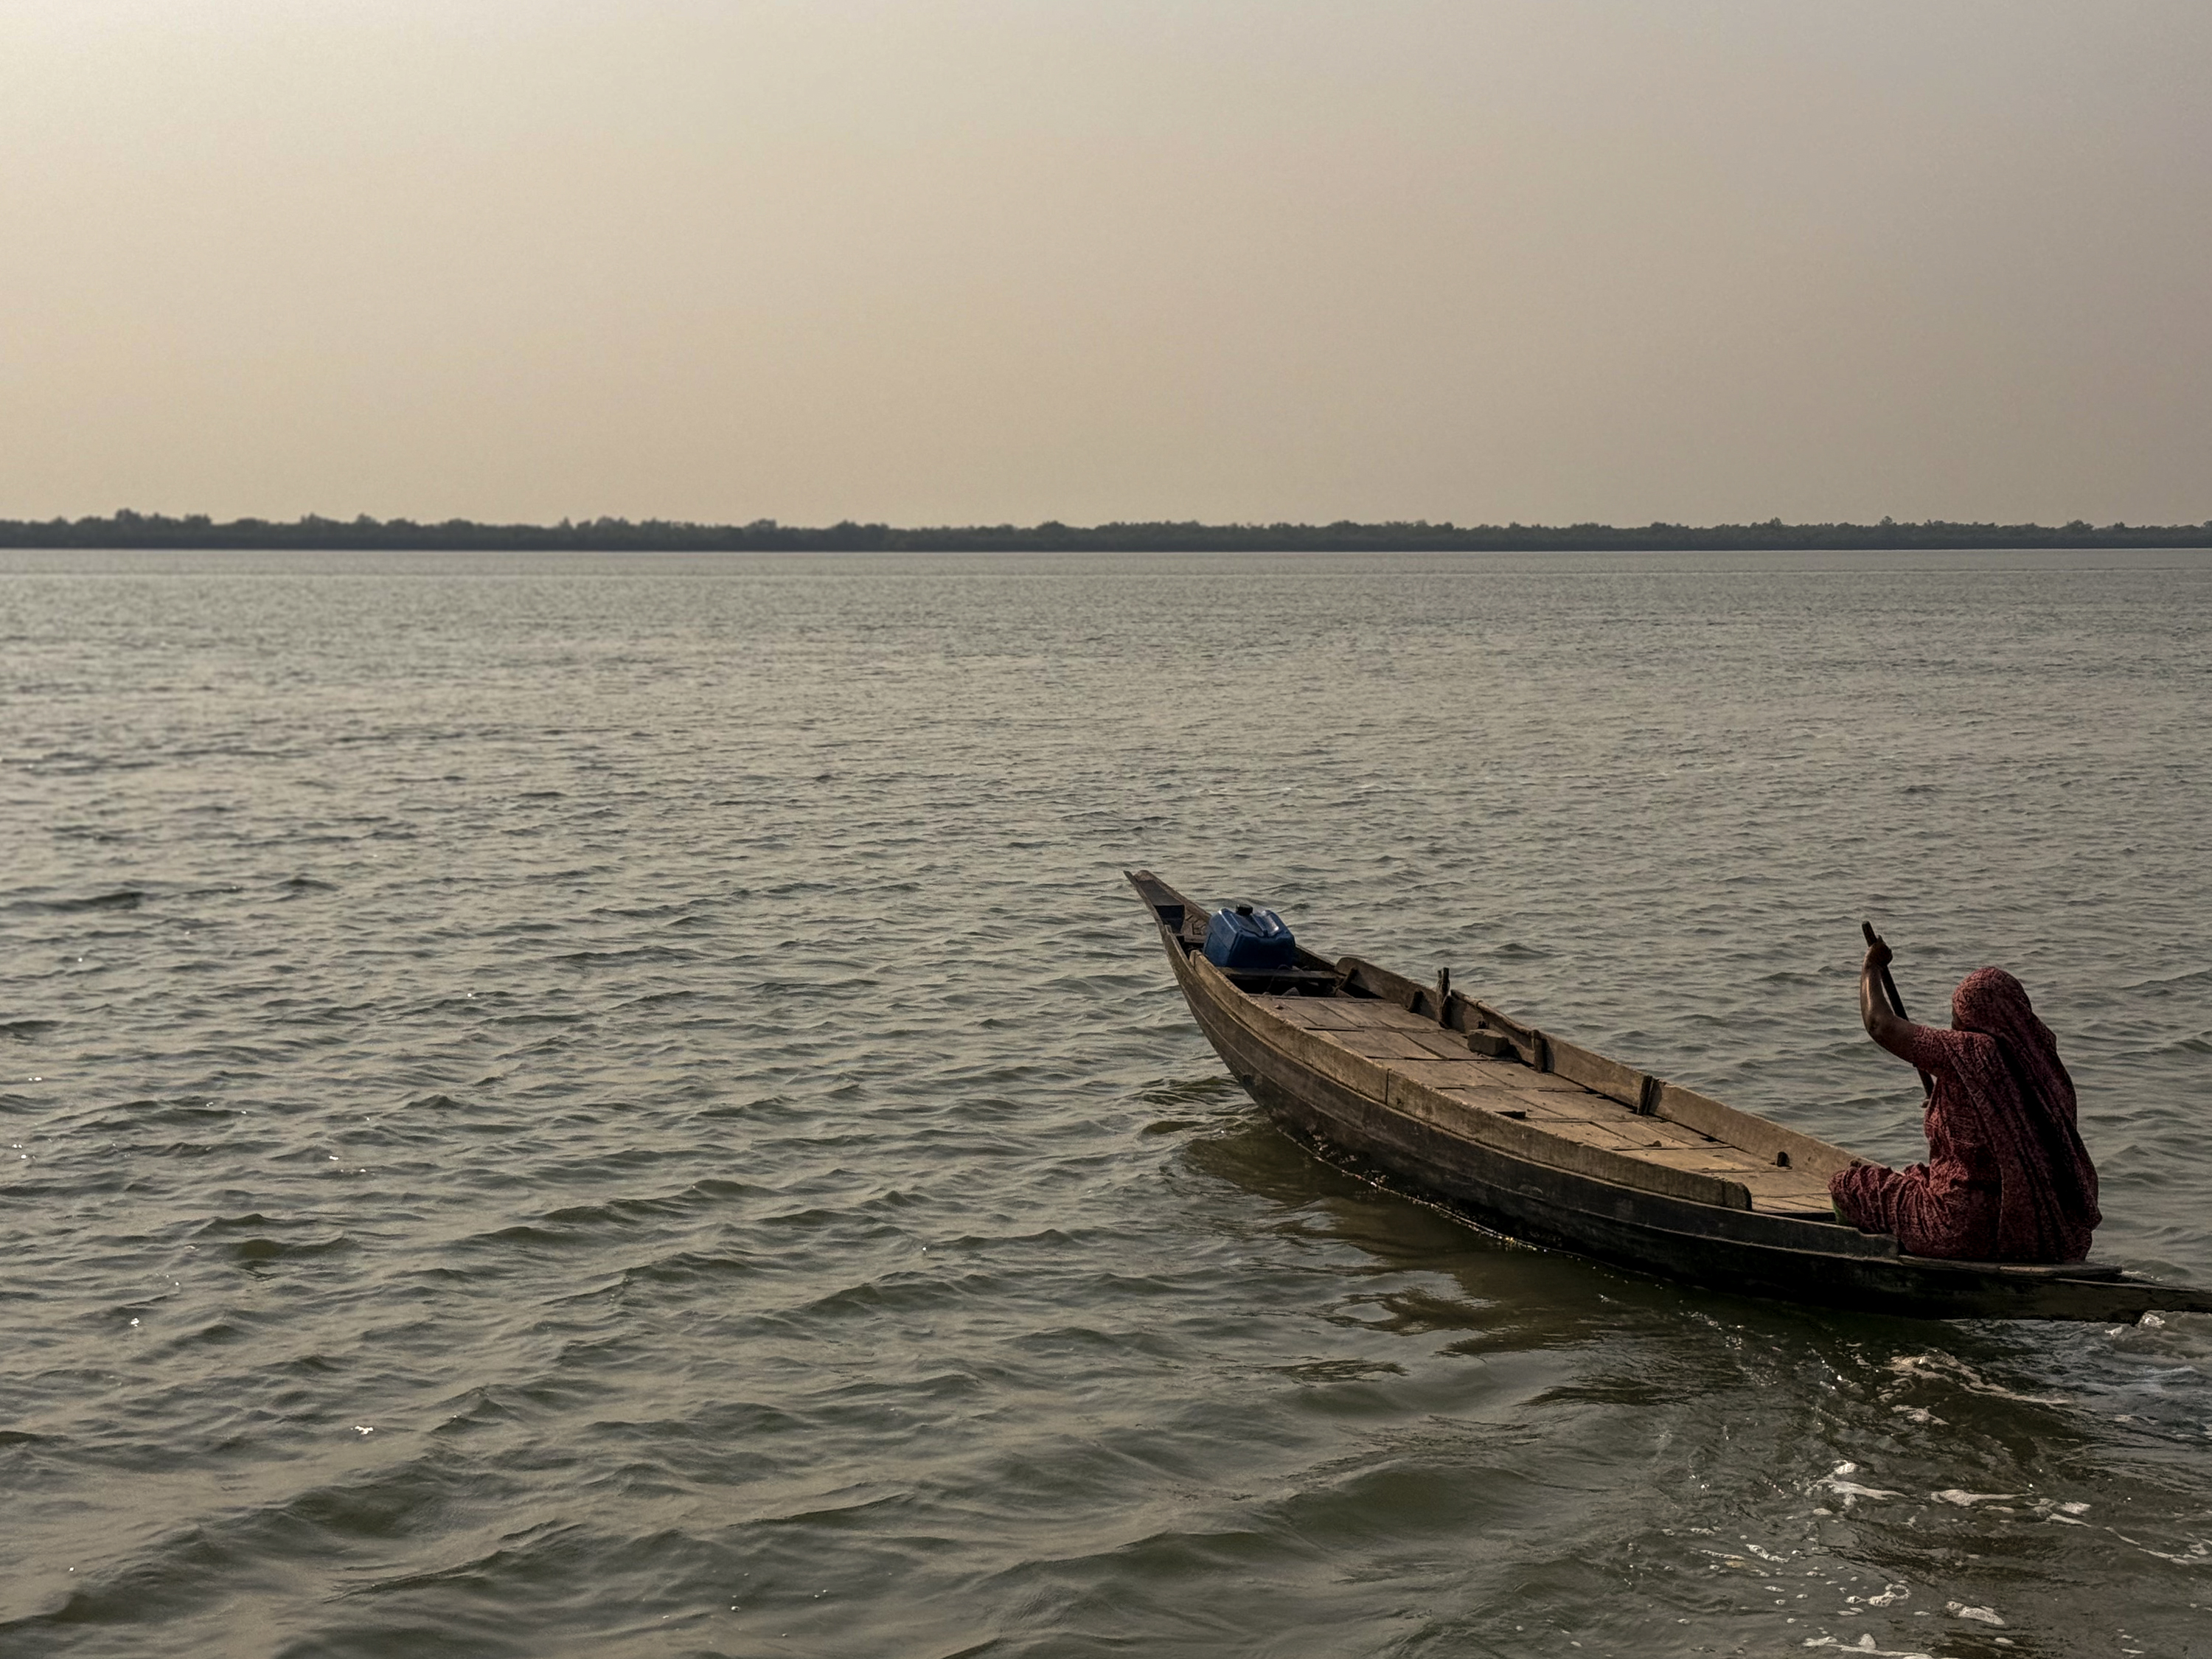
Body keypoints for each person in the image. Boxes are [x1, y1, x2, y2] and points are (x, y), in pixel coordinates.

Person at [1829, 939, 2099, 1262]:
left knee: (1849, 1185)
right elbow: (2012, 1128)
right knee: (1914, 1175)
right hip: (2034, 1228)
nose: (1953, 1024)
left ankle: (1866, 1258)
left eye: (1957, 1016)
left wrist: (1870, 967)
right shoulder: (2042, 1060)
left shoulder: (1970, 1052)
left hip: (1961, 1227)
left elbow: (1880, 1024)